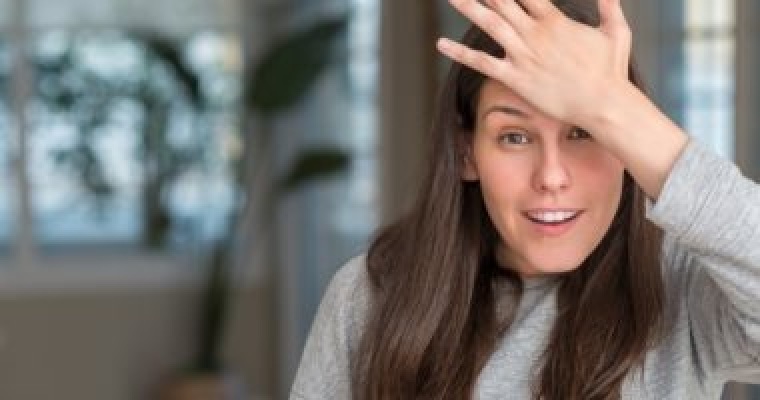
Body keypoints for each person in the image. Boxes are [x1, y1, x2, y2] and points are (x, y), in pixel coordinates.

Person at [290, 0, 760, 398]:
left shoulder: (686, 288)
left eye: (584, 131)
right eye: (514, 137)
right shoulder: (368, 297)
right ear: (467, 152)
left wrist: (612, 103)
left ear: (625, 144)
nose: (551, 177)